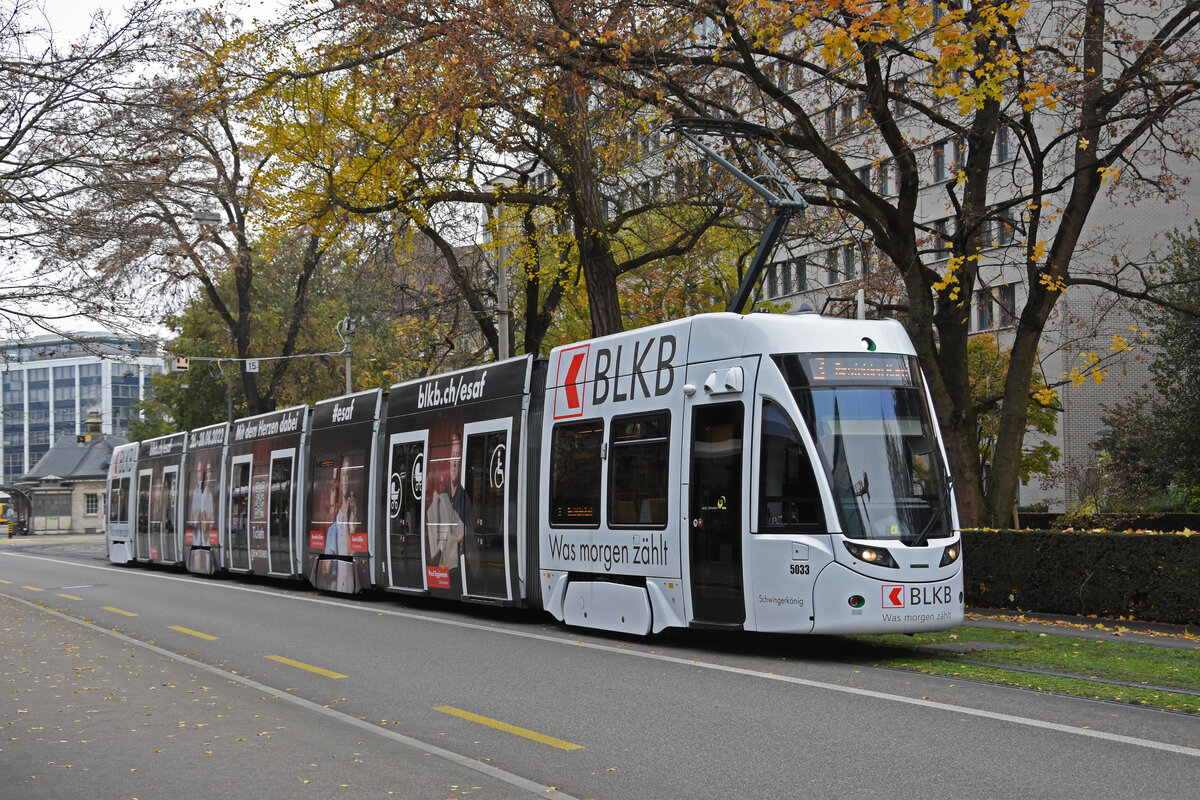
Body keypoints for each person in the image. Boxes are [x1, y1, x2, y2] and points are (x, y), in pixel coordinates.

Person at [427, 433, 472, 571]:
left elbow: (468, 534)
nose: (453, 462)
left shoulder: (466, 498)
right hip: (443, 565)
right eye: (452, 455)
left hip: (459, 565)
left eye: (457, 456)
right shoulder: (442, 496)